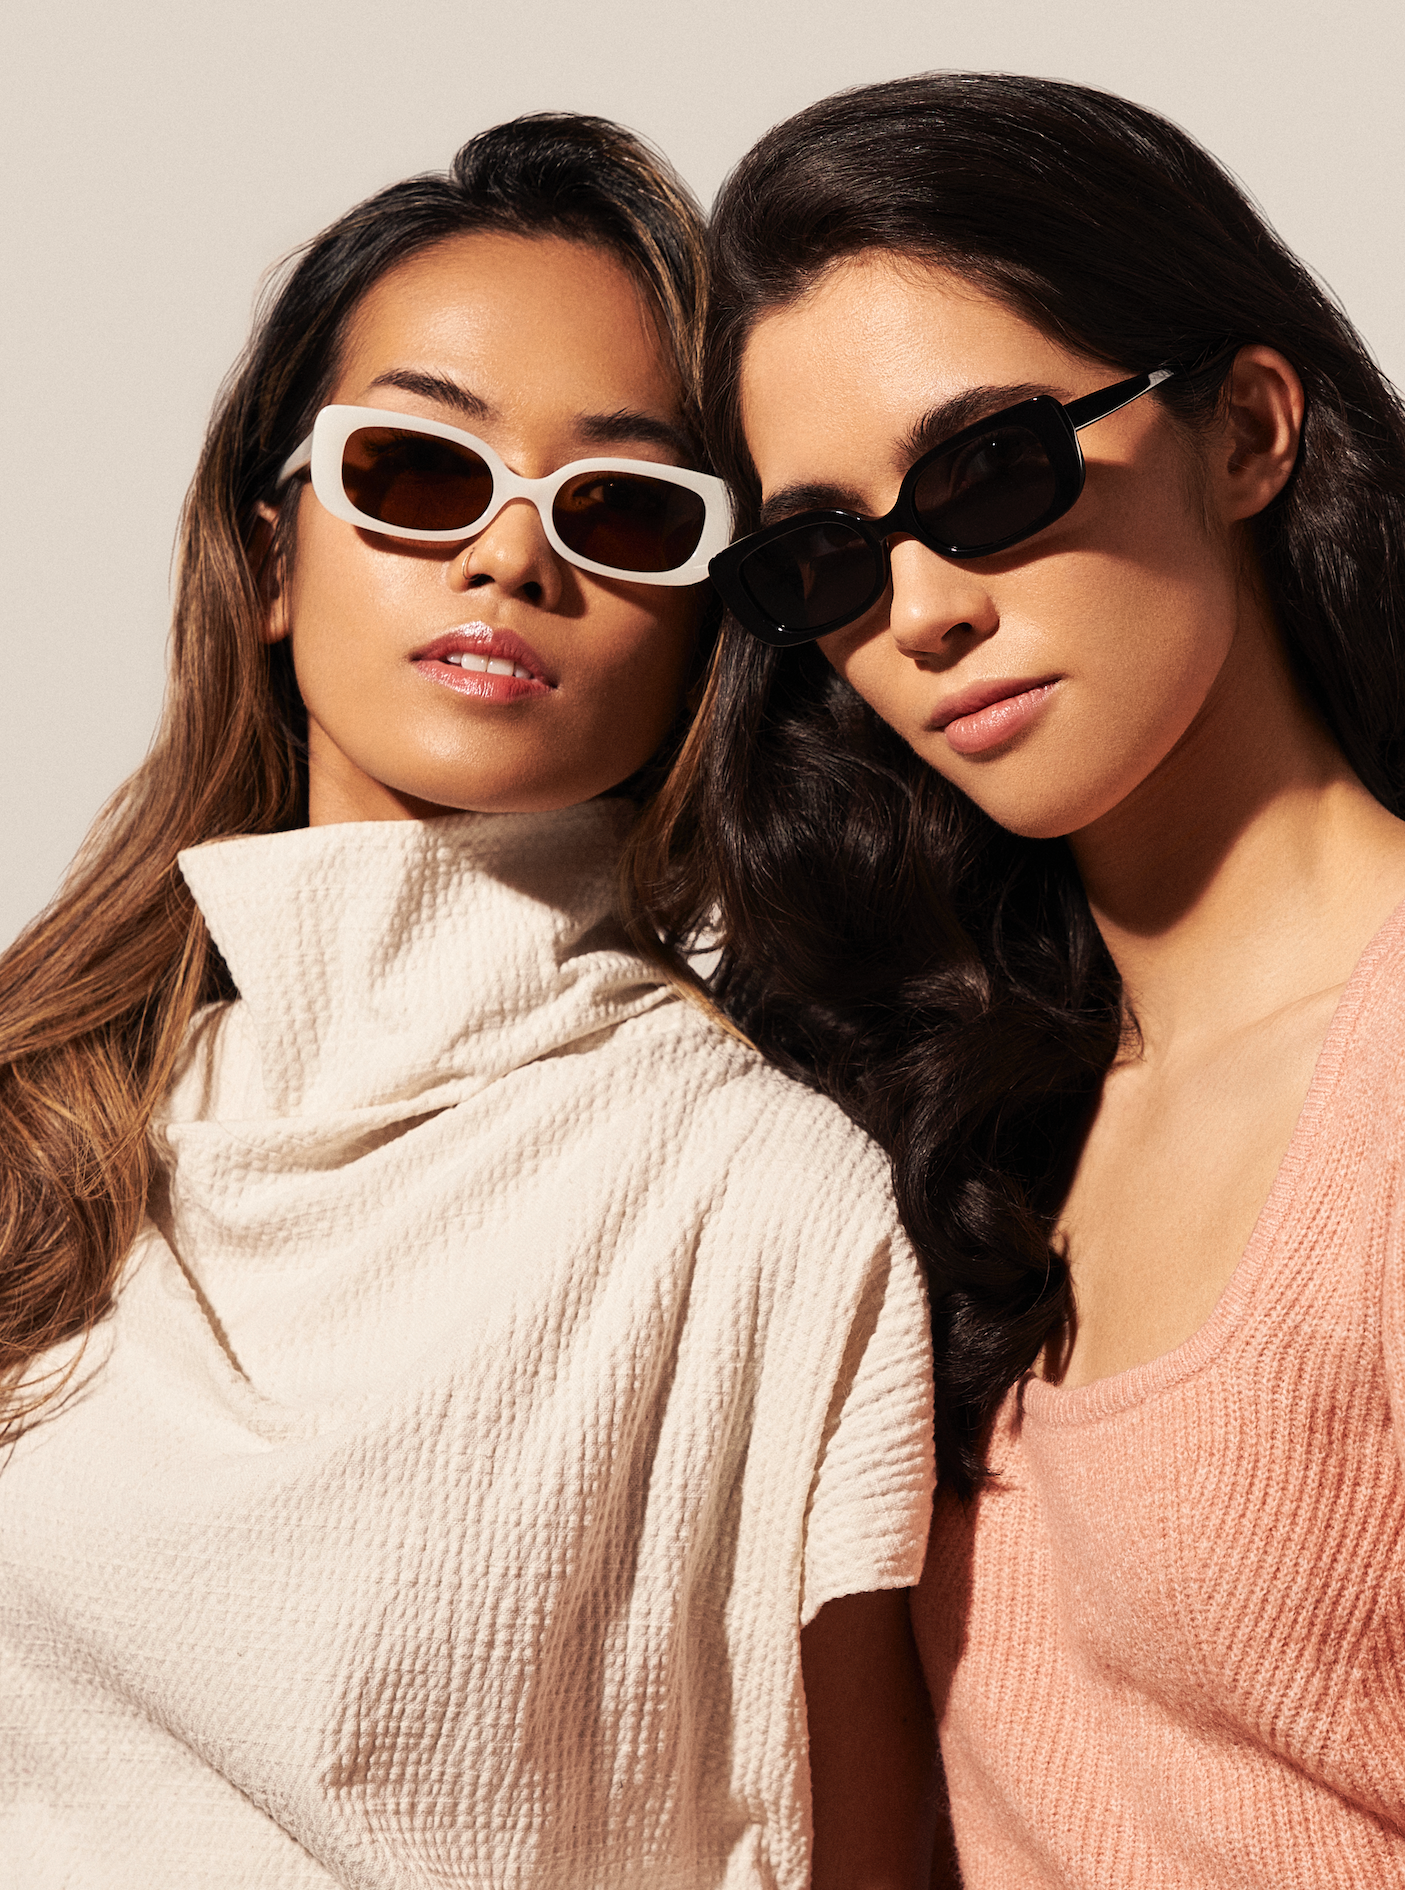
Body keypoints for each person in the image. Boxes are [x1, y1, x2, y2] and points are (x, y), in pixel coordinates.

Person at [631, 73, 1405, 1886]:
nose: (920, 614)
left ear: (1244, 431)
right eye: (830, 555)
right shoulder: (965, 1102)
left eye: (988, 474)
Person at [0, 115, 936, 1889]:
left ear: (696, 636)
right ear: (272, 562)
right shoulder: (55, 1107)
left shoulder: (758, 1203)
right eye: (419, 472)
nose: (510, 560)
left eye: (624, 510)